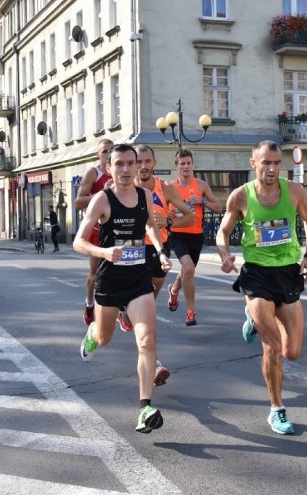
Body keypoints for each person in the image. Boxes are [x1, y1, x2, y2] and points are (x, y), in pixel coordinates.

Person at [216, 140, 307, 435]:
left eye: (276, 163)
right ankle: (277, 409)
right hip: (257, 275)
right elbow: (222, 232)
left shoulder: (294, 191)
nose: (272, 169)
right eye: (266, 163)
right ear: (254, 163)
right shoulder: (241, 196)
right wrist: (224, 254)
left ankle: (253, 316)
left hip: (287, 273)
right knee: (272, 347)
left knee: (293, 351)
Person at [73, 143, 172, 433]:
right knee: (105, 338)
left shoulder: (145, 195)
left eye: (132, 163)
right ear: (109, 168)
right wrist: (104, 253)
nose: (127, 169)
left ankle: (145, 408)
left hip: (138, 280)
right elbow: (79, 242)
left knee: (146, 340)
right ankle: (93, 333)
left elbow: (151, 226)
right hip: (109, 280)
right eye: (120, 164)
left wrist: (162, 251)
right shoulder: (101, 200)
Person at [132, 144, 194, 329]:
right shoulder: (126, 188)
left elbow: (190, 216)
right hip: (135, 247)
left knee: (151, 296)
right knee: (136, 295)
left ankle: (137, 319)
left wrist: (168, 222)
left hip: (160, 247)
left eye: (147, 161)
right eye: (138, 162)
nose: (143, 166)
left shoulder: (165, 188)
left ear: (154, 163)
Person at [166, 148, 222, 326]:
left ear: (193, 165)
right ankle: (191, 312)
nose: (186, 167)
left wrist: (202, 201)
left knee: (186, 271)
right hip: (177, 234)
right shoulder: (170, 187)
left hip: (196, 235)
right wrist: (170, 215)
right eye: (182, 163)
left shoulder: (201, 185)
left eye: (188, 163)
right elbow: (160, 209)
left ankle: (174, 290)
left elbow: (218, 208)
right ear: (176, 166)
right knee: (189, 269)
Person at [75, 138, 113, 326]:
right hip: (98, 230)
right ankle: (89, 303)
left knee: (125, 271)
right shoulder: (93, 173)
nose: (107, 154)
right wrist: (100, 194)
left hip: (118, 230)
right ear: (98, 154)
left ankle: (120, 308)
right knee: (95, 273)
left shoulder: (122, 172)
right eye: (104, 151)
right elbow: (78, 202)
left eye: (111, 150)